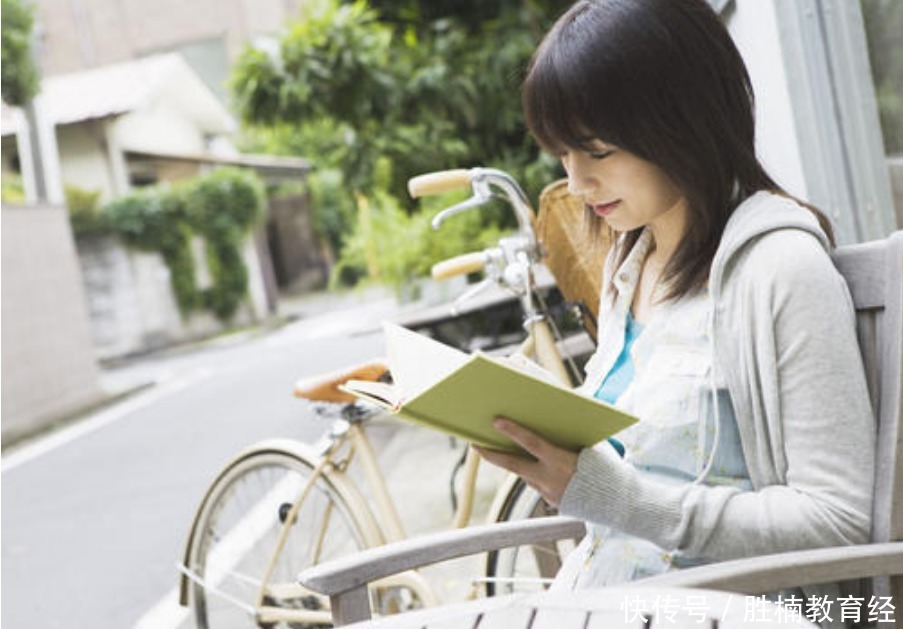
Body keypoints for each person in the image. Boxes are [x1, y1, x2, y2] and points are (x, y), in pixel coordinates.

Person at [474, 0, 875, 598]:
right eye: (563, 154)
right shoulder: (629, 267)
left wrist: (616, 496)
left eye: (598, 150)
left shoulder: (780, 269)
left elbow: (838, 524)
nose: (576, 183)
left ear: (682, 122)